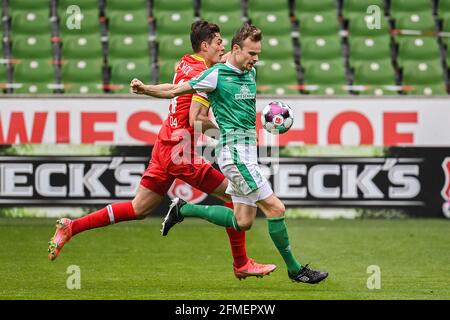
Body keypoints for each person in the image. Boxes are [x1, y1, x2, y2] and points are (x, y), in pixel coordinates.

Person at [47, 20, 276, 280]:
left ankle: (70, 227)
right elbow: (194, 119)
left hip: (165, 144)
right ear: (205, 46)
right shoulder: (204, 70)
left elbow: (173, 89)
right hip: (180, 150)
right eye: (218, 42)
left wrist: (146, 89)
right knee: (235, 196)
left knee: (139, 208)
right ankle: (241, 263)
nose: (222, 46)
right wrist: (227, 134)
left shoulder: (187, 62)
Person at [130, 23, 328, 284]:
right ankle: (295, 270)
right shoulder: (215, 75)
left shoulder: (251, 73)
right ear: (237, 49)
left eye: (258, 54)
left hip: (247, 152)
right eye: (251, 54)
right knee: (276, 208)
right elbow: (175, 90)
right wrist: (145, 89)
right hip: (234, 156)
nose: (255, 60)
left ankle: (184, 210)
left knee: (243, 220)